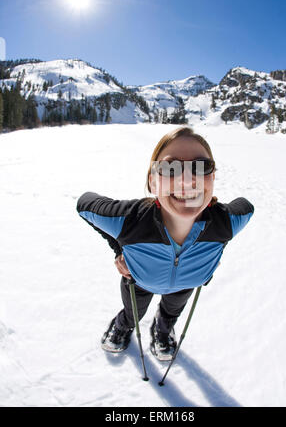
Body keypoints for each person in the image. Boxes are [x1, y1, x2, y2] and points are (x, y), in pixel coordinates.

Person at [77, 126, 254, 361]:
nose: (188, 180)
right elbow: (84, 204)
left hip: (184, 286)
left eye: (202, 167)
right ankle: (123, 325)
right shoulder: (131, 220)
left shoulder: (226, 223)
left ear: (212, 177)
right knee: (133, 314)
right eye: (170, 168)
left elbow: (247, 206)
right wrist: (120, 248)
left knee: (171, 313)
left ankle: (162, 331)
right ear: (152, 182)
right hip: (138, 282)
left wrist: (213, 256)